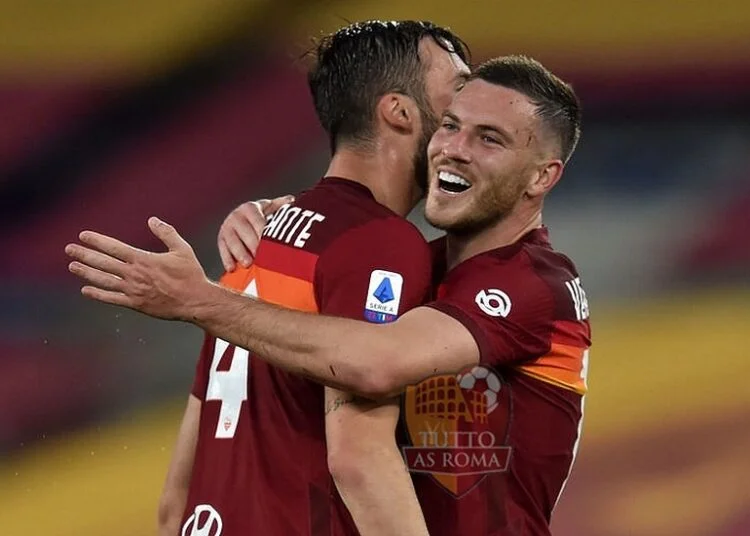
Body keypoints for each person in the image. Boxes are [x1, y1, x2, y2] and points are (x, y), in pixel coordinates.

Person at [67, 56, 590, 535]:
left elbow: (376, 363)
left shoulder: (537, 285)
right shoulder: (407, 266)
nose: (455, 148)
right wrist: (296, 226)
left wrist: (199, 301)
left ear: (542, 176)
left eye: (490, 139)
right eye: (451, 125)